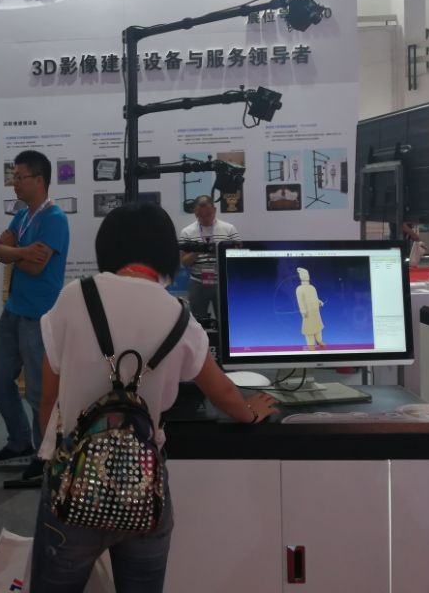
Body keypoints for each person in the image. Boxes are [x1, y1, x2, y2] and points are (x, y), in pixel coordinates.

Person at [31, 202, 278, 592]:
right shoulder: (178, 316)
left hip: (72, 483)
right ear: (166, 251)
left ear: (107, 247)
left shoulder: (74, 296)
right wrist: (249, 412)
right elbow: (221, 390)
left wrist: (53, 459)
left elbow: (47, 396)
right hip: (144, 486)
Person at [0, 150, 70, 481]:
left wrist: (12, 253)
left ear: (39, 180)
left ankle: (44, 454)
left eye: (20, 177)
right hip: (12, 313)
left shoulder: (54, 219)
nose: (15, 184)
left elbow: (37, 268)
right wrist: (21, 252)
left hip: (39, 317)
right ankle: (19, 440)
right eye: (14, 178)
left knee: (39, 392)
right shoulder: (21, 217)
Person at [178, 195, 241, 322]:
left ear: (215, 210)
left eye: (209, 215)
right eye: (200, 216)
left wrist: (219, 252)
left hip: (223, 282)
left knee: (226, 320)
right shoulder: (187, 232)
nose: (205, 219)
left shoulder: (229, 229)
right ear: (195, 213)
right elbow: (184, 262)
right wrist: (198, 251)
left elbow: (239, 258)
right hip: (198, 282)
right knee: (196, 322)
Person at [295, 267, 325, 347]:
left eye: (307, 274)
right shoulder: (299, 289)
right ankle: (311, 345)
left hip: (316, 312)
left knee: (318, 328)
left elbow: (315, 298)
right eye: (304, 274)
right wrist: (303, 311)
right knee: (309, 330)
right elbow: (300, 301)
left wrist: (319, 302)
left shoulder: (312, 288)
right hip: (308, 313)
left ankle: (319, 341)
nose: (306, 276)